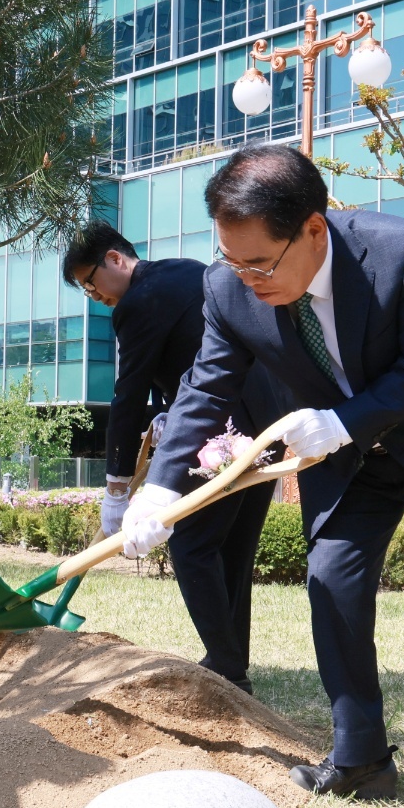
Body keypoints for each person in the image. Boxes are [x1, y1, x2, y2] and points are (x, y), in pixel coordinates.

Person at [121, 145, 404, 808]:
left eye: (259, 263)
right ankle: (362, 756)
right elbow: (204, 386)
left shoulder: (399, 250)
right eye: (231, 260)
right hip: (350, 459)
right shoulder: (226, 290)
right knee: (331, 581)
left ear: (313, 230)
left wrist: (341, 421)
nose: (245, 278)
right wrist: (158, 488)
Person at [63, 222, 291, 695]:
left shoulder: (138, 303)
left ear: (114, 259)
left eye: (90, 282)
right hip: (266, 423)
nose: (92, 295)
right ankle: (231, 661)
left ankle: (227, 667)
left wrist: (116, 487)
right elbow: (193, 359)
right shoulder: (187, 272)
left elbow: (127, 396)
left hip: (223, 434)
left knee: (190, 546)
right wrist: (168, 409)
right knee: (231, 550)